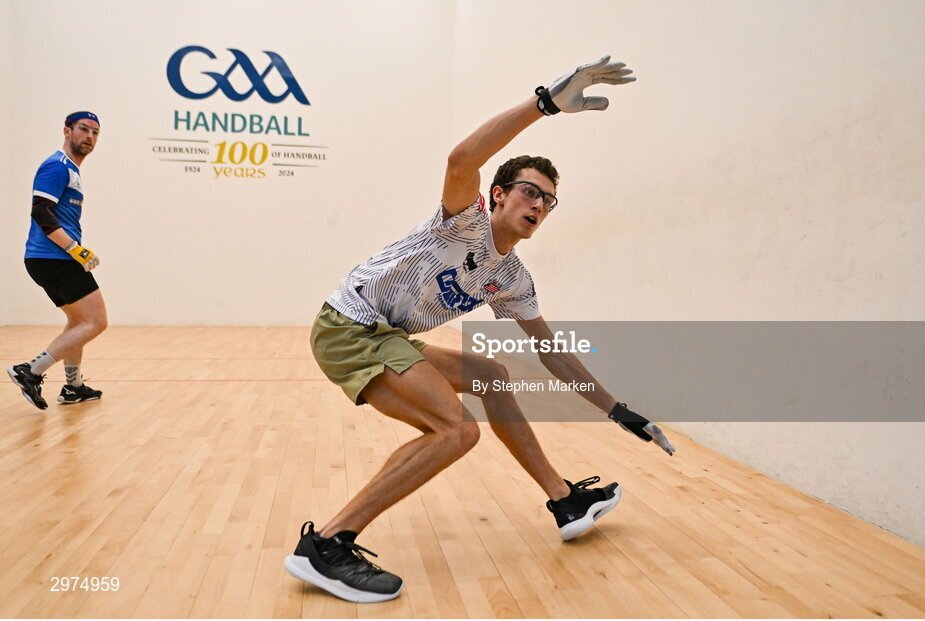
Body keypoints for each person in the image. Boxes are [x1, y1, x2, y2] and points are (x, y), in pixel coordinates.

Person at [284, 57, 676, 603]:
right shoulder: (463, 218)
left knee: (491, 376)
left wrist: (617, 410)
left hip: (385, 336)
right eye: (528, 191)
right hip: (349, 327)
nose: (538, 203)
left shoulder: (512, 278)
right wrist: (544, 104)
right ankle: (326, 544)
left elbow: (553, 353)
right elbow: (461, 157)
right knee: (456, 431)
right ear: (498, 194)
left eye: (548, 199)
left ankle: (563, 499)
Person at [7, 111, 107, 410]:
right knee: (97, 321)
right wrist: (75, 249)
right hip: (54, 258)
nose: (89, 136)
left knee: (79, 321)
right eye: (83, 129)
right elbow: (40, 212)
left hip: (49, 258)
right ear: (67, 131)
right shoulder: (57, 167)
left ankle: (73, 387)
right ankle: (31, 370)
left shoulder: (71, 170)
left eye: (95, 133)